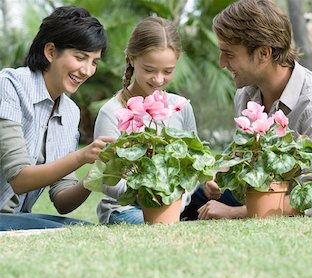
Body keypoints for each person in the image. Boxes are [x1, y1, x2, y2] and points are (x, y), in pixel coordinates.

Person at [182, 0, 312, 220]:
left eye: (229, 54)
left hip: (283, 205)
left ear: (264, 53)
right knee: (190, 203)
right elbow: (243, 157)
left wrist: (236, 214)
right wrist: (220, 173)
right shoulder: (246, 94)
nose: (221, 62)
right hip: (253, 196)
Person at [0, 6, 115, 231]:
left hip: (16, 218)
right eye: (80, 57)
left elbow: (62, 200)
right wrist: (82, 155)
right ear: (51, 51)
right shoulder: (9, 86)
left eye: (94, 62)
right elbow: (19, 179)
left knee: (85, 229)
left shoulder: (69, 112)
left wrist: (101, 171)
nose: (87, 71)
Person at [93, 16, 197, 225]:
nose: (158, 79)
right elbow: (108, 178)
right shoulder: (112, 112)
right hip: (124, 210)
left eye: (167, 71)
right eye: (149, 70)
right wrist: (153, 197)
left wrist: (179, 197)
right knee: (155, 228)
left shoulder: (181, 107)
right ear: (132, 59)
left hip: (173, 206)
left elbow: (192, 167)